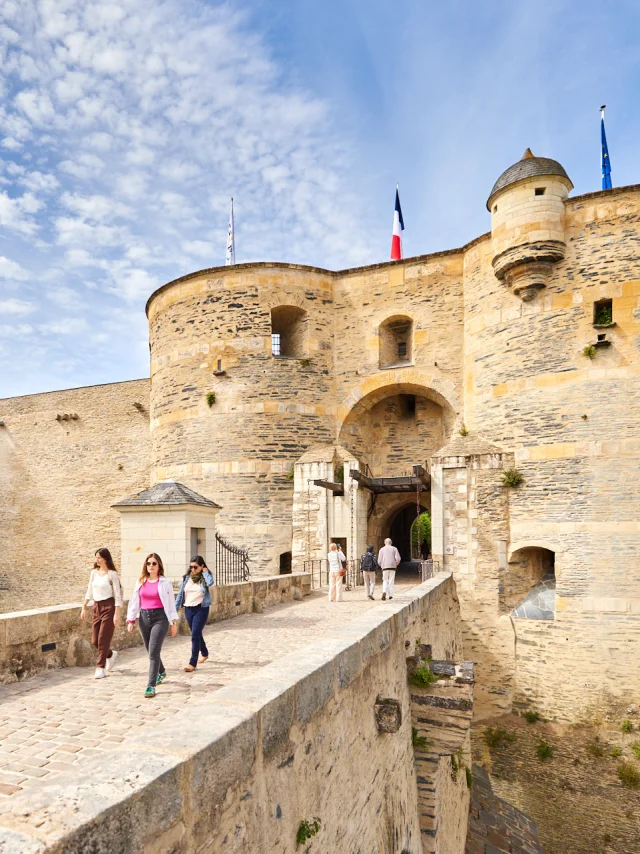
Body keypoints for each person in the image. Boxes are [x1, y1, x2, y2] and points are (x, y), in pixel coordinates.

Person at [126, 553, 179, 698]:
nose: (151, 566)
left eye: (154, 563)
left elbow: (170, 604)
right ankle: (161, 672)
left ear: (159, 565)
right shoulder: (141, 581)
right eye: (148, 563)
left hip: (160, 618)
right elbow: (135, 601)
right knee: (151, 651)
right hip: (144, 617)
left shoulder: (164, 582)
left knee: (154, 651)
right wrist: (131, 620)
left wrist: (173, 622)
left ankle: (151, 685)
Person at [81, 548, 123, 679]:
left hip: (109, 606)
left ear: (105, 558)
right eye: (96, 557)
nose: (96, 560)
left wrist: (117, 613)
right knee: (95, 640)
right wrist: (84, 606)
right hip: (96, 606)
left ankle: (100, 667)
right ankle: (110, 654)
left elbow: (117, 594)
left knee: (103, 639)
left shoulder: (112, 574)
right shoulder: (94, 573)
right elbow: (89, 589)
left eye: (99, 557)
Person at [175, 555, 214, 672]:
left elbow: (210, 582)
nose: (193, 569)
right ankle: (205, 653)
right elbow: (181, 594)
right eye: (191, 567)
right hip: (188, 609)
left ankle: (192, 663)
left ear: (202, 566)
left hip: (201, 609)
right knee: (196, 633)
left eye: (196, 567)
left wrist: (205, 572)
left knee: (195, 635)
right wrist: (174, 610)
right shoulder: (187, 578)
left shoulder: (204, 578)